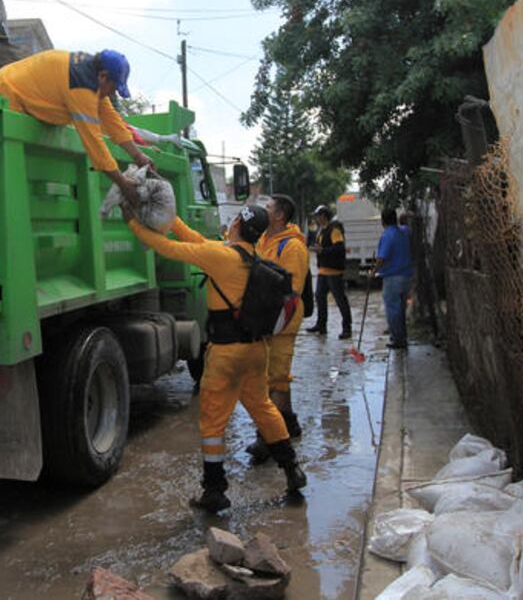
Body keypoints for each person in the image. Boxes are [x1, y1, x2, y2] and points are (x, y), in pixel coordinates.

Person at [123, 203, 307, 512]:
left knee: (212, 419)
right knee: (263, 408)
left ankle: (214, 489)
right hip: (255, 350)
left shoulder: (221, 257)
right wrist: (170, 216)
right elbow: (194, 238)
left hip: (225, 353)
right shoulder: (253, 257)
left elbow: (166, 246)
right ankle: (292, 469)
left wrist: (133, 222)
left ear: (235, 224)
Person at [0, 49, 154, 208]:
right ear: (103, 76)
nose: (112, 94)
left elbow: (112, 121)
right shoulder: (81, 84)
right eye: (113, 88)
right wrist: (122, 183)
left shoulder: (91, 78)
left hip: (6, 102)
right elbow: (93, 142)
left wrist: (138, 156)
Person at [246, 195, 310, 463]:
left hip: (283, 317)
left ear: (280, 215)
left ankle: (268, 437)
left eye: (269, 207)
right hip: (268, 316)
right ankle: (289, 422)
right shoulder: (264, 240)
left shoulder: (292, 247)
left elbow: (290, 289)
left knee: (274, 378)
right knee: (276, 376)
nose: (264, 209)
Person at [306, 205, 352, 339]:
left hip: (334, 272)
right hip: (323, 270)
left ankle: (347, 328)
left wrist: (322, 251)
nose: (316, 218)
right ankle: (321, 325)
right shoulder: (321, 230)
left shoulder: (334, 230)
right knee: (320, 297)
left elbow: (339, 248)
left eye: (317, 216)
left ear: (323, 216)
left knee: (340, 300)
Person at [375, 208, 413, 349]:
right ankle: (402, 338)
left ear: (383, 221)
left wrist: (373, 272)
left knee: (393, 309)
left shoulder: (387, 235)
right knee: (401, 309)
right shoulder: (404, 231)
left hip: (392, 277)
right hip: (406, 276)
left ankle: (397, 339)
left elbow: (381, 258)